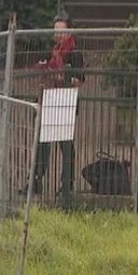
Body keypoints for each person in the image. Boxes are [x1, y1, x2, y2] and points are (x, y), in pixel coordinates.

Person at [25, 13, 85, 201]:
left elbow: (78, 81)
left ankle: (67, 185)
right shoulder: (55, 50)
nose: (58, 34)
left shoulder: (74, 52)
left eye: (62, 30)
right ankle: (36, 180)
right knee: (43, 141)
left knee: (65, 144)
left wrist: (61, 76)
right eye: (55, 30)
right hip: (51, 99)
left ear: (69, 32)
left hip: (65, 101)